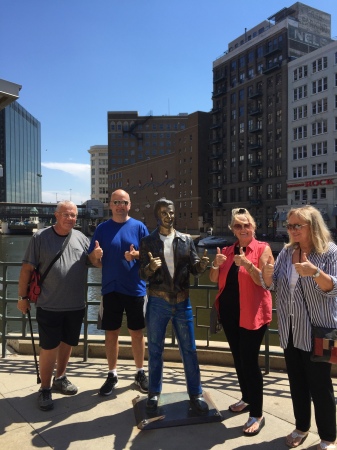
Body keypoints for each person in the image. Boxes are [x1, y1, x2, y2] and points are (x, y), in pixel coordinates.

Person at [261, 206, 337, 450]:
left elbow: (334, 288)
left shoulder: (329, 252)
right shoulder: (285, 253)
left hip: (319, 331)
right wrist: (267, 276)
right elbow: (274, 288)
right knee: (296, 383)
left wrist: (315, 272)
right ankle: (301, 427)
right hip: (290, 331)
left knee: (321, 387)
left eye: (297, 225)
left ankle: (327, 437)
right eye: (289, 225)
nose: (291, 230)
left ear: (312, 226)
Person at [139, 198, 210, 415]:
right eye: (163, 213)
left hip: (182, 301)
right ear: (156, 216)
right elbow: (142, 274)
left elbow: (195, 268)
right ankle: (153, 393)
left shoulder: (186, 240)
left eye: (170, 212)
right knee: (155, 349)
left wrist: (202, 266)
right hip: (158, 301)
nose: (168, 216)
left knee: (189, 349)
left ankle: (196, 394)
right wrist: (150, 268)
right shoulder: (147, 242)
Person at [17, 201, 90, 411]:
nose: (71, 219)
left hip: (75, 304)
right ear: (56, 216)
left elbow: (93, 261)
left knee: (67, 343)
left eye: (74, 215)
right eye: (66, 214)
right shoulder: (40, 237)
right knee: (48, 347)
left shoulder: (82, 238)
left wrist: (97, 257)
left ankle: (61, 377)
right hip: (49, 304)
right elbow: (26, 270)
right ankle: (46, 388)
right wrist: (22, 297)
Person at [209, 207, 273, 436]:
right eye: (238, 225)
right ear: (233, 230)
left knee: (249, 361)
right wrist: (216, 264)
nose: (243, 228)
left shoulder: (263, 249)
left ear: (253, 227)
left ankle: (257, 413)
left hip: (253, 315)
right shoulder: (226, 250)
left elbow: (265, 282)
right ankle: (246, 398)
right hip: (229, 314)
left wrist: (247, 264)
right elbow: (214, 278)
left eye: (246, 225)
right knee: (238, 359)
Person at [88, 189, 149, 396]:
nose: (120, 205)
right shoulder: (102, 229)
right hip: (110, 288)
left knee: (137, 332)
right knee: (111, 332)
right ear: (110, 205)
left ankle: (140, 372)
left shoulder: (139, 227)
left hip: (135, 289)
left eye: (124, 202)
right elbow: (94, 260)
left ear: (129, 205)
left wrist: (136, 254)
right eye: (116, 202)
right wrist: (95, 256)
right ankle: (112, 374)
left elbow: (151, 255)